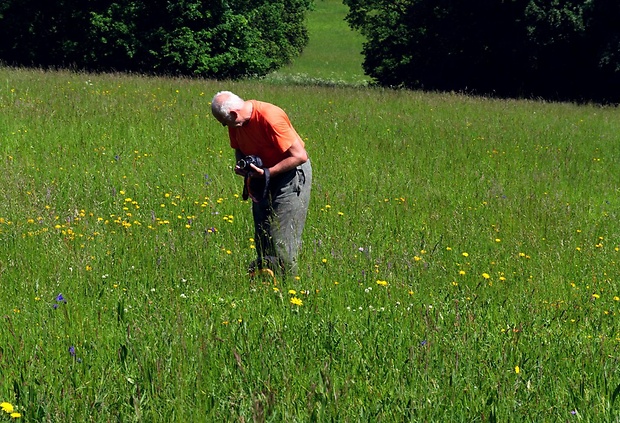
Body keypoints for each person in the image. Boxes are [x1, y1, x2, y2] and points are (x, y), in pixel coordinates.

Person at [211, 91, 312, 277]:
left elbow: (299, 156)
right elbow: (239, 148)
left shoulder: (269, 117)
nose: (225, 126)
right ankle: (266, 283)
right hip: (261, 175)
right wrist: (245, 168)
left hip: (289, 173)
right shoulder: (237, 122)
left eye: (225, 122)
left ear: (233, 114)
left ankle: (288, 287)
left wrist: (267, 173)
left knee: (281, 237)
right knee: (263, 234)